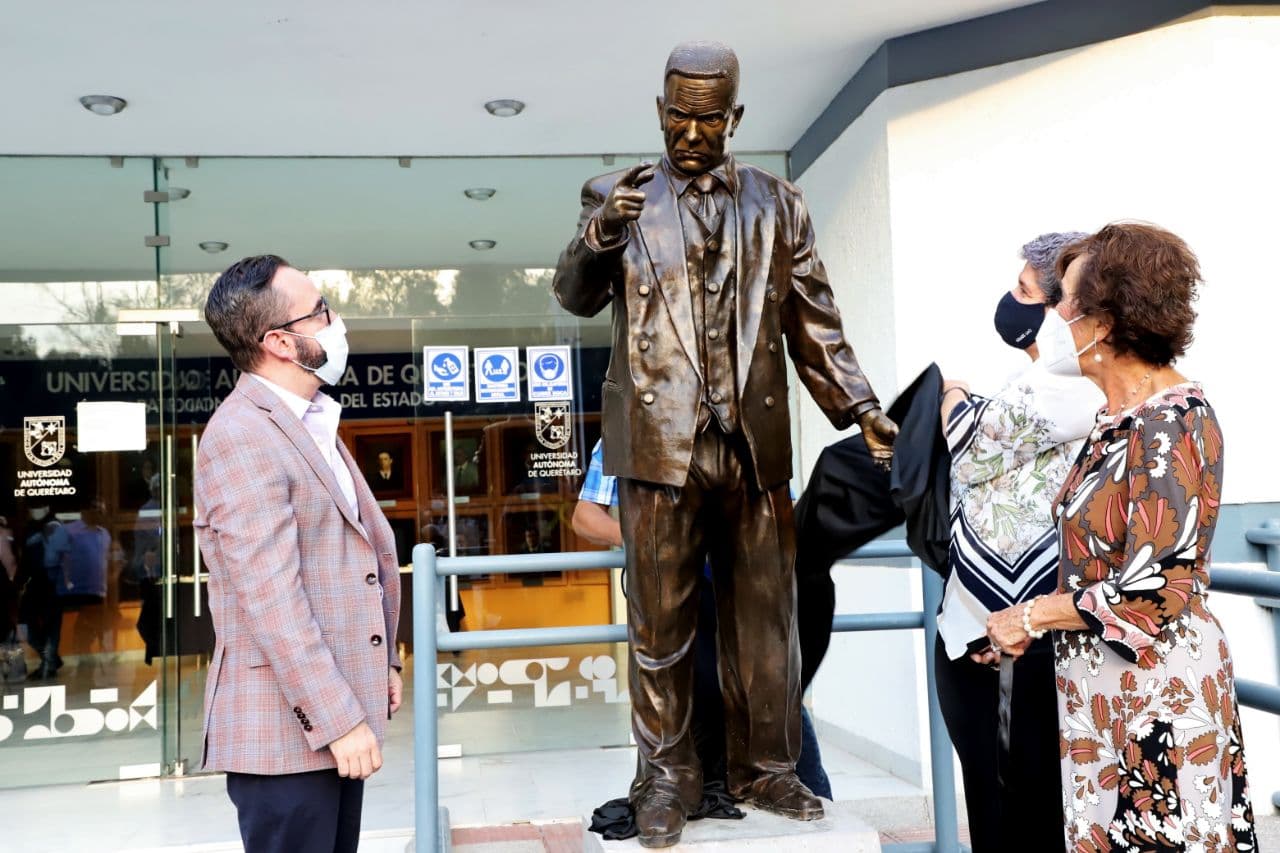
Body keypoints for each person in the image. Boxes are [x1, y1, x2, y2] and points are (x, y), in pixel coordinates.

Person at [553, 41, 897, 846]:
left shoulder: (779, 203)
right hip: (657, 451)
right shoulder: (616, 195)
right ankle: (666, 777)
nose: (692, 133)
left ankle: (764, 768)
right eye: (679, 116)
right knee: (660, 625)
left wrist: (863, 409)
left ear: (734, 118)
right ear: (660, 111)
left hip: (751, 445)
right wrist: (601, 234)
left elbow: (815, 320)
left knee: (765, 618)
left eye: (709, 119)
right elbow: (571, 294)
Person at [986, 224, 1257, 851]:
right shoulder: (1118, 418)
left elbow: (1155, 588)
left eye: (1062, 301)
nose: (1051, 315)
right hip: (1107, 696)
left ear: (1103, 323)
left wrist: (1034, 616)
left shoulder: (1171, 423)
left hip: (1158, 701)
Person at [196, 255, 403, 853]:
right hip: (287, 736)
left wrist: (383, 660)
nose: (336, 323)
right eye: (321, 312)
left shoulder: (309, 421)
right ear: (281, 342)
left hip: (329, 719)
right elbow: (273, 602)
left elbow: (351, 558)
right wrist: (338, 721)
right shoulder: (242, 436)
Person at [933, 233, 1100, 852]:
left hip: (1031, 643)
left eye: (1024, 292)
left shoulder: (1075, 388)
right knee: (996, 807)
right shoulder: (1032, 380)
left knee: (1026, 813)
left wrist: (949, 392)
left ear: (1064, 309)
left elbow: (971, 448)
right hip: (985, 635)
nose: (1010, 301)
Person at [573, 439, 832, 805]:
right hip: (670, 590)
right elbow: (584, 515)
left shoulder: (743, 420)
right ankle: (700, 795)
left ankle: (807, 793)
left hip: (745, 586)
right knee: (684, 697)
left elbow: (784, 507)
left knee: (771, 691)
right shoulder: (631, 423)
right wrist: (650, 541)